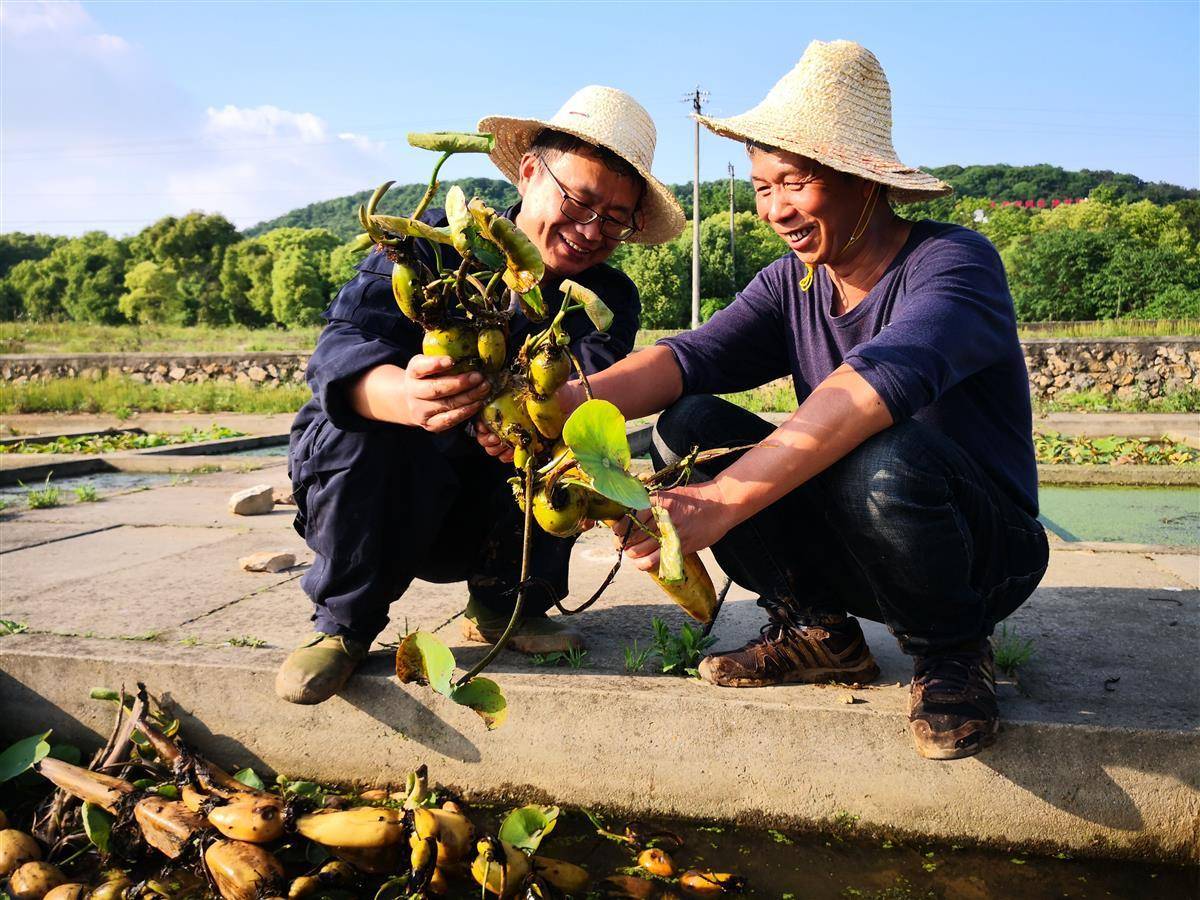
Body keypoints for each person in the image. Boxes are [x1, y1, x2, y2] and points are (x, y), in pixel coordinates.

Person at [552, 41, 1048, 761]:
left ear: (863, 180)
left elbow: (880, 381)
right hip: (866, 542)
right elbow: (690, 357)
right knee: (690, 424)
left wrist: (721, 500)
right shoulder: (793, 283)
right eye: (761, 186)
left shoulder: (954, 264)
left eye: (795, 181)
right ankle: (819, 630)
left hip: (980, 553)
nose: (775, 208)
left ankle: (951, 651)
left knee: (887, 451)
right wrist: (564, 403)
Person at [276, 86, 685, 705]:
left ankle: (507, 604)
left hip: (492, 492)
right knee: (355, 428)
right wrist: (404, 396)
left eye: (615, 219)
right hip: (389, 482)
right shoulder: (431, 243)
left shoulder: (609, 299)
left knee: (566, 457)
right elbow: (343, 349)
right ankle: (344, 625)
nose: (591, 230)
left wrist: (532, 421)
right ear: (528, 173)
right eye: (580, 200)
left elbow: (584, 395)